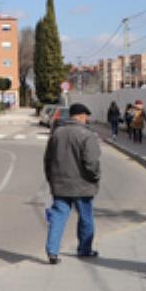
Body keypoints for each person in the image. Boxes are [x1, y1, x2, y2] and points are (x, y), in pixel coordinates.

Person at [43, 102, 101, 264]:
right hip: (83, 185)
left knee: (58, 216)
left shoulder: (57, 133)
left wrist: (51, 178)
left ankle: (52, 252)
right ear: (81, 116)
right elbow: (91, 162)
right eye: (86, 116)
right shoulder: (87, 135)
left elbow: (47, 160)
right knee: (86, 217)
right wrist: (95, 177)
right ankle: (84, 249)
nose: (86, 119)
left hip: (60, 184)